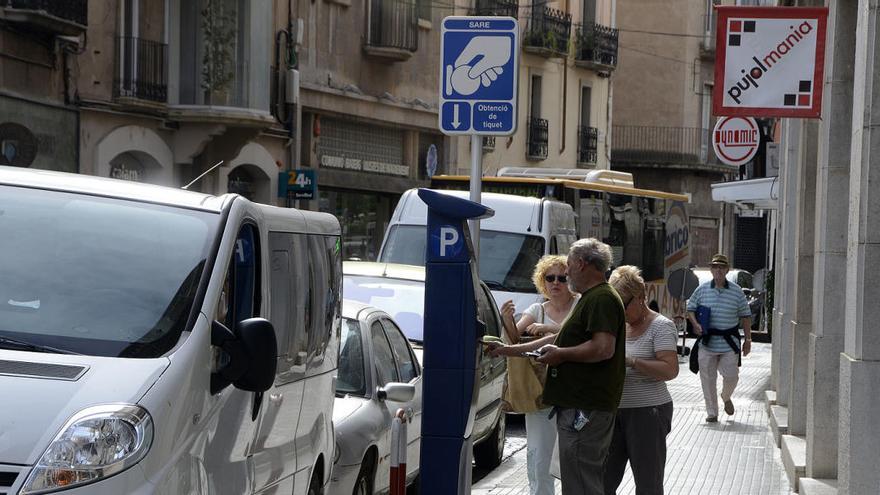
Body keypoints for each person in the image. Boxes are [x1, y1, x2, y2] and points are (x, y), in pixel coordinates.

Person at [488, 238, 626, 494]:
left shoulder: (601, 299)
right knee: (573, 477)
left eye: (569, 267)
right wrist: (508, 349)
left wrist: (561, 355)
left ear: (582, 264)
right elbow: (555, 338)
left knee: (580, 480)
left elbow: (603, 348)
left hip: (586, 408)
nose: (565, 274)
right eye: (552, 277)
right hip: (578, 406)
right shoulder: (591, 298)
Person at [499, 255, 579, 495]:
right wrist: (506, 320)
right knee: (539, 458)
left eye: (562, 278)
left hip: (576, 395)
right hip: (540, 394)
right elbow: (515, 340)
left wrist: (548, 328)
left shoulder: (581, 305)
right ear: (542, 281)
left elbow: (581, 333)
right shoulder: (537, 309)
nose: (556, 283)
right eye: (550, 277)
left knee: (573, 459)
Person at [604, 266, 679, 495]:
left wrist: (632, 361)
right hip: (613, 411)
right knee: (603, 481)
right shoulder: (617, 325)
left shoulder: (661, 326)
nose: (621, 311)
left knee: (648, 484)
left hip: (648, 412)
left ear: (640, 298)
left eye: (624, 304)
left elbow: (670, 370)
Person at [686, 254, 752, 423]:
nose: (718, 270)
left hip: (729, 342)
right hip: (707, 341)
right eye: (715, 267)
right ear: (711, 269)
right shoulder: (701, 289)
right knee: (707, 378)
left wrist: (748, 340)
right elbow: (690, 308)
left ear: (726, 270)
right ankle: (712, 413)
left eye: (721, 267)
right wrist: (695, 324)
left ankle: (726, 395)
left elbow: (745, 316)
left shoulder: (737, 291)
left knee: (732, 375)